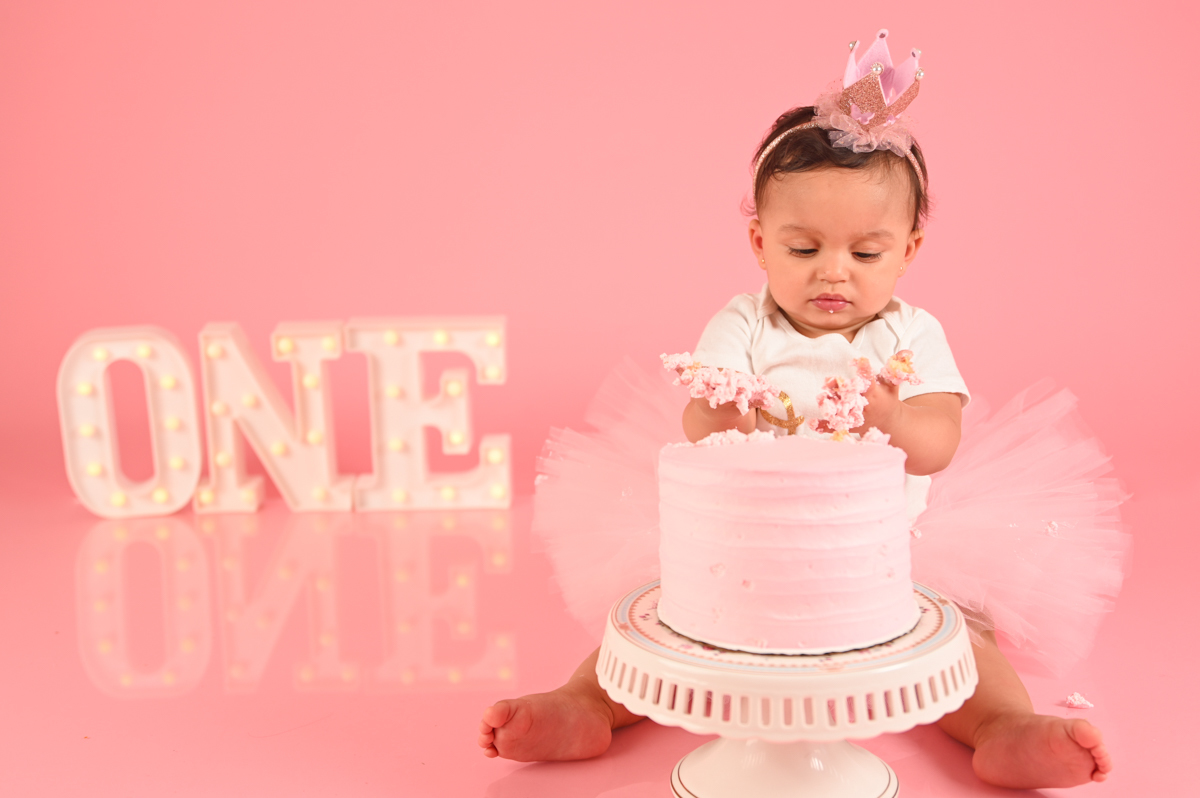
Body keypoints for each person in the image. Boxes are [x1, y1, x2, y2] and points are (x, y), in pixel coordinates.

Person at [478, 29, 1128, 790]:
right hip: (745, 546)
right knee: (673, 621)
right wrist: (728, 413)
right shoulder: (743, 324)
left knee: (956, 639)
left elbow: (938, 445)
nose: (833, 273)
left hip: (890, 544)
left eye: (865, 253)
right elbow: (699, 424)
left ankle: (1002, 725)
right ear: (759, 241)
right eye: (803, 247)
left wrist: (891, 414)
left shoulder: (911, 335)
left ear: (909, 250)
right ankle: (584, 704)